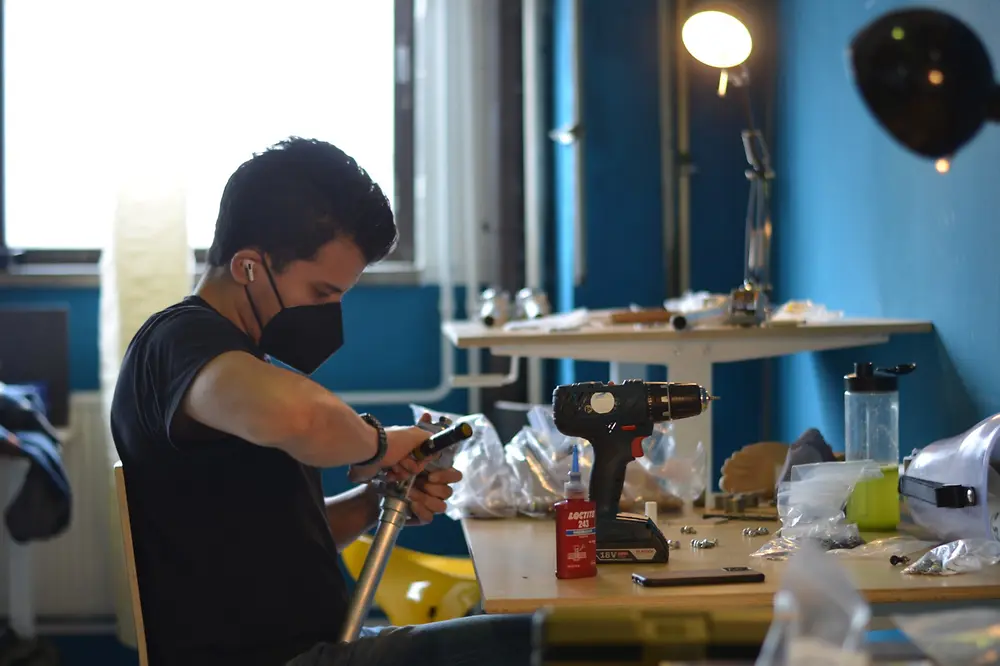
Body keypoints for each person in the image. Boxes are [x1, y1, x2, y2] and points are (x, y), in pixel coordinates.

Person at [111, 137, 533, 666]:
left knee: (548, 637)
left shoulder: (236, 366)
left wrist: (379, 499)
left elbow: (277, 545)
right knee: (547, 645)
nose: (330, 313)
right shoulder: (176, 344)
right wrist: (381, 445)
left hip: (322, 643)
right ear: (248, 266)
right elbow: (302, 417)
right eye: (321, 293)